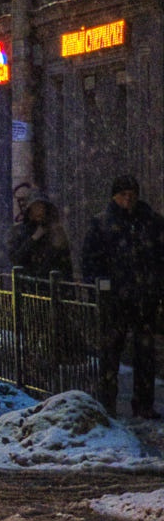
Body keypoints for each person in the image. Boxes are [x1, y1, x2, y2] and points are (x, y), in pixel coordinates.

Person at [80, 175, 163, 420]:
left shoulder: (150, 223)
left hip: (143, 298)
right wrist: (99, 287)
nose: (128, 199)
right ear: (115, 197)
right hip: (116, 300)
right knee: (111, 353)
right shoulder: (104, 224)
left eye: (132, 194)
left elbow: (159, 258)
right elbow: (91, 261)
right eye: (123, 195)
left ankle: (142, 404)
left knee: (144, 354)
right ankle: (108, 403)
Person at [7, 189, 74, 276]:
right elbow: (16, 258)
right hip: (27, 282)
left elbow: (64, 261)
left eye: (42, 207)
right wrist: (33, 239)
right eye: (36, 207)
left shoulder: (55, 230)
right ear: (29, 210)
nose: (39, 211)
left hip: (50, 282)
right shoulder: (19, 231)